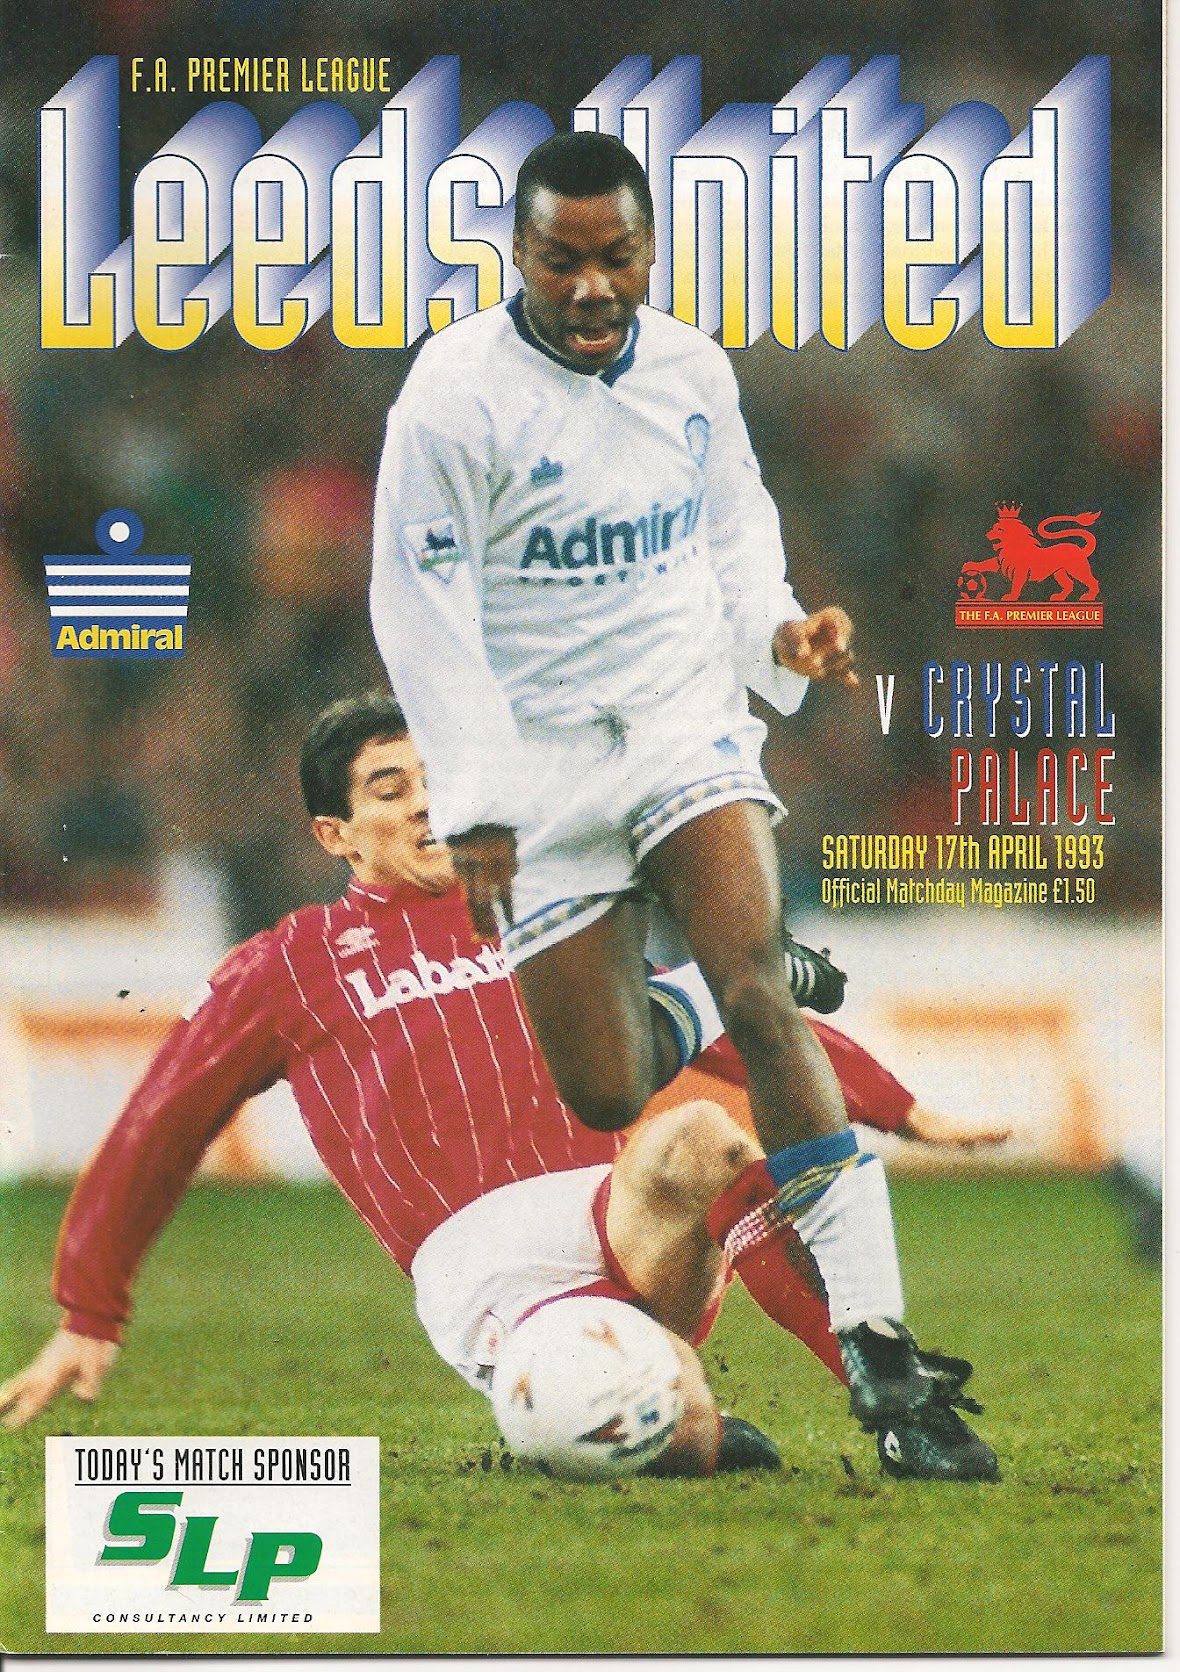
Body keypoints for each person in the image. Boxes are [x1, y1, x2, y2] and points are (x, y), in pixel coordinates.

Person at [1, 695, 1000, 1479]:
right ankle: (664, 1412)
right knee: (687, 1436)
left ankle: (902, 1407)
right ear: (335, 835)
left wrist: (892, 1104)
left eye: (435, 778)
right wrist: (92, 1308)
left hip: (614, 1216)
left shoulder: (534, 914)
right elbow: (160, 1123)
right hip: (489, 1282)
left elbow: (713, 1017)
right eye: (390, 788)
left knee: (700, 1134)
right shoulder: (287, 966)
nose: (424, 802)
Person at [370, 131, 945, 1433]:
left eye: (617, 257)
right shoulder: (452, 399)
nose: (591, 286)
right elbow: (417, 606)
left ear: (646, 253)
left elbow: (734, 532)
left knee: (760, 994)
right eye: (561, 260)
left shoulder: (691, 369)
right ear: (518, 256)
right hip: (542, 765)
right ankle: (686, 999)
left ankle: (881, 1348)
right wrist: (476, 800)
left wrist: (782, 635)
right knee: (607, 1091)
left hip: (685, 728)